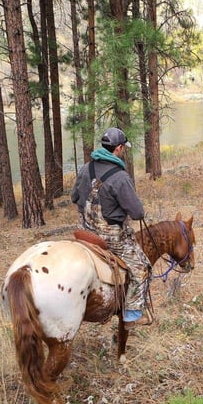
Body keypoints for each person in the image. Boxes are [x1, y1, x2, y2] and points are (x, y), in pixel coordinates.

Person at [71, 127, 152, 328]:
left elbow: (74, 197)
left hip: (84, 231)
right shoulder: (120, 177)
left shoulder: (85, 169)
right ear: (118, 148)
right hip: (110, 237)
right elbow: (137, 213)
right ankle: (133, 314)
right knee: (142, 267)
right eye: (123, 148)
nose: (123, 150)